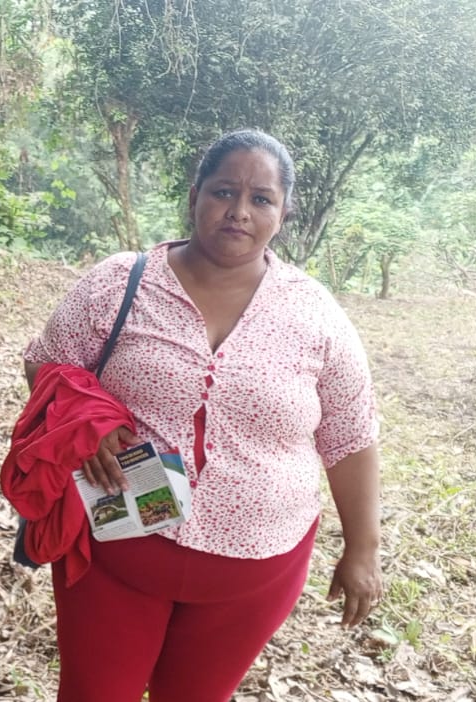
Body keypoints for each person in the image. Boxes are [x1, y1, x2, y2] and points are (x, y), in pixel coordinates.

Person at [21, 129, 383, 701]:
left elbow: (350, 435)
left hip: (256, 570)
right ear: (195, 196)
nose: (239, 211)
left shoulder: (315, 314)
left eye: (261, 198)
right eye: (223, 192)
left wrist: (362, 549)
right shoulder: (119, 284)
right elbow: (46, 364)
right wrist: (88, 423)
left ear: (283, 213)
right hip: (116, 546)